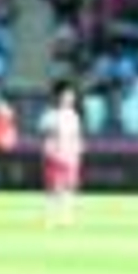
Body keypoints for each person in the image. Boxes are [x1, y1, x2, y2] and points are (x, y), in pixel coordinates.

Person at [39, 80, 85, 227]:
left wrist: (78, 149)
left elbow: (76, 136)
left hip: (70, 156)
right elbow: (46, 135)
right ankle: (50, 218)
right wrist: (51, 149)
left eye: (71, 96)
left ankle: (66, 217)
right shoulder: (50, 115)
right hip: (54, 155)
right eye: (66, 95)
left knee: (69, 188)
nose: (70, 98)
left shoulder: (73, 116)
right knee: (53, 189)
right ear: (58, 96)